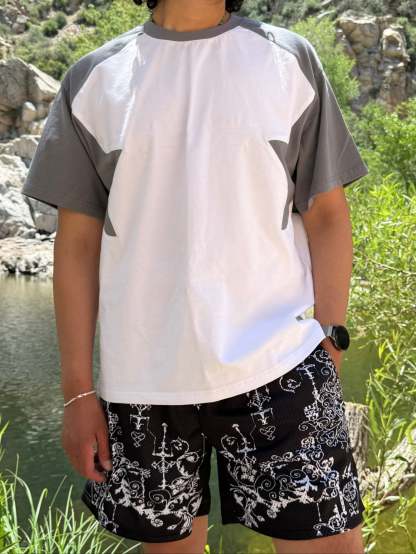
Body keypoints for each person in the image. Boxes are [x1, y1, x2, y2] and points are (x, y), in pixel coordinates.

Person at [21, 0, 369, 552]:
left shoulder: (287, 60)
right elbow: (78, 248)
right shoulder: (94, 79)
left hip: (280, 363)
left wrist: (331, 339)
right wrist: (77, 392)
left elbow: (326, 214)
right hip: (143, 383)